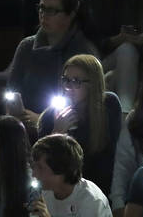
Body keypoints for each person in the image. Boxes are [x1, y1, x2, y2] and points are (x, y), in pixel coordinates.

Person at [37, 54, 123, 202]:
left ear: (93, 84)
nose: (68, 87)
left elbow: (110, 159)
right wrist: (56, 134)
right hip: (61, 193)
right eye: (65, 80)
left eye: (76, 81)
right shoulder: (51, 115)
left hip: (97, 193)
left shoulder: (108, 105)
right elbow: (40, 165)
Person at [6, 0, 98, 123]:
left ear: (70, 15)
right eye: (42, 8)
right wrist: (14, 112)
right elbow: (13, 87)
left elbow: (84, 105)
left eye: (52, 10)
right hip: (23, 121)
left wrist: (42, 119)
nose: (44, 15)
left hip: (63, 127)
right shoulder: (26, 46)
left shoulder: (83, 51)